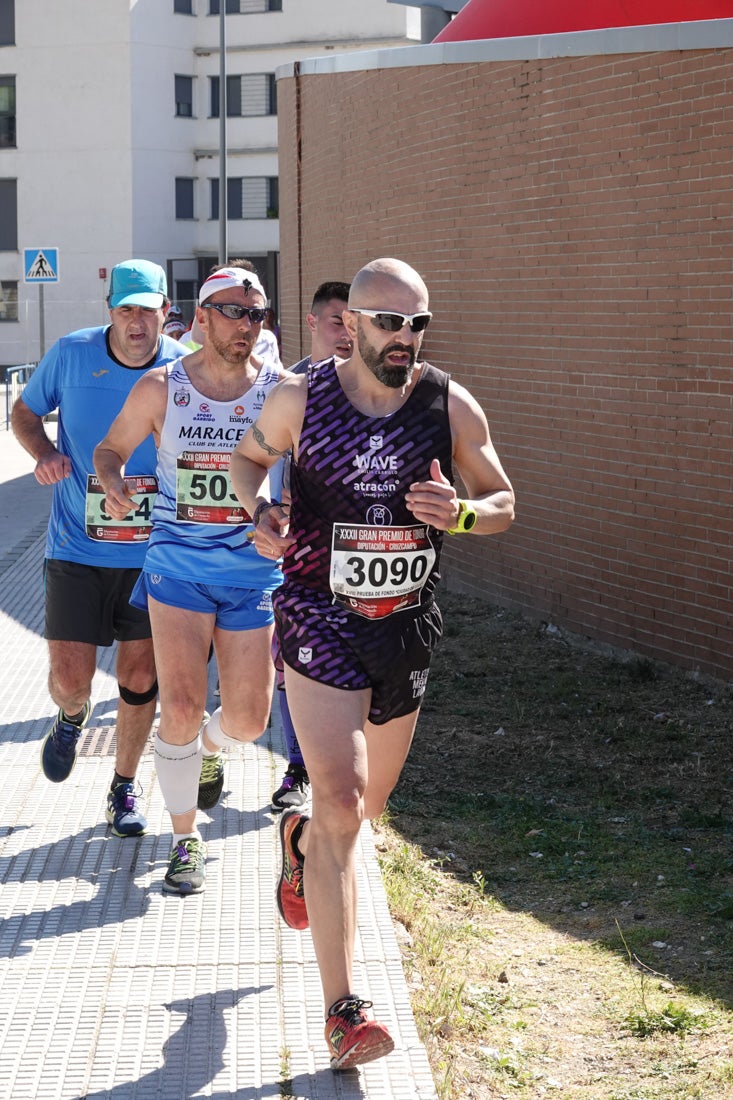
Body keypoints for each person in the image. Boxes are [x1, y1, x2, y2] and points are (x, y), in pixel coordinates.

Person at [229, 257, 515, 1070]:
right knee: (342, 799)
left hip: (404, 628)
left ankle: (300, 850)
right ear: (349, 323)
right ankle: (343, 1010)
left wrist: (459, 513)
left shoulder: (445, 402)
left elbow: (503, 501)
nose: (405, 338)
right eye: (390, 322)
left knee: (364, 811)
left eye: (418, 323)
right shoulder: (301, 397)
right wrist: (261, 509)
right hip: (318, 615)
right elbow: (248, 463)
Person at [93, 266, 289, 895]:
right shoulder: (163, 387)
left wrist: (285, 519)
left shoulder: (281, 394)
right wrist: (116, 482)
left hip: (251, 570)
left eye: (256, 314)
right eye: (233, 311)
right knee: (177, 703)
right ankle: (185, 840)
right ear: (201, 317)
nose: (246, 325)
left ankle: (202, 750)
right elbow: (108, 450)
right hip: (176, 566)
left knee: (251, 719)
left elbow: (309, 477)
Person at [11, 259, 186, 837]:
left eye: (148, 309)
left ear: (167, 310)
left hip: (152, 555)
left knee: (139, 678)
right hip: (75, 549)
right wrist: (43, 454)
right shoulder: (71, 353)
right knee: (72, 679)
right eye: (125, 310)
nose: (137, 323)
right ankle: (70, 717)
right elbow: (25, 412)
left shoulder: (184, 369)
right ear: (109, 311)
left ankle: (124, 787)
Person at [270, 279, 352, 813]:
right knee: (290, 665)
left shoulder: (380, 393)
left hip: (358, 561)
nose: (346, 334)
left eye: (355, 323)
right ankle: (298, 770)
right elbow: (256, 467)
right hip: (293, 557)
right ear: (313, 323)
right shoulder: (289, 390)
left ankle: (341, 771)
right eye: (335, 322)